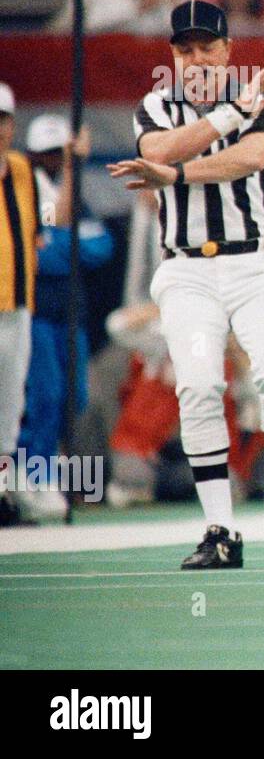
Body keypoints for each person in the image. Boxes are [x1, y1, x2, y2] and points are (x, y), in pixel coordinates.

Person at [106, 0, 264, 569]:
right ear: (173, 56)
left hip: (255, 262)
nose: (196, 59)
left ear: (228, 49)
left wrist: (178, 174)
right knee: (199, 385)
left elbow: (247, 161)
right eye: (184, 50)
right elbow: (156, 149)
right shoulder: (156, 106)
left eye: (207, 47)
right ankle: (219, 529)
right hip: (186, 268)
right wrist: (226, 117)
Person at [17, 115, 114, 522]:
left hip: (72, 317)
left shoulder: (77, 197)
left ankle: (44, 474)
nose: (53, 160)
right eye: (48, 153)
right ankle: (29, 475)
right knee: (45, 396)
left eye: (61, 154)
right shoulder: (24, 188)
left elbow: (100, 248)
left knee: (75, 398)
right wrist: (61, 245)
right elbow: (43, 254)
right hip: (37, 314)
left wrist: (59, 245)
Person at [0, 82, 41, 527]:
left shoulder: (22, 172)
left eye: (2, 120)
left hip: (17, 305)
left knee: (10, 406)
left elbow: (50, 219)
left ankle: (4, 493)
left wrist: (71, 164)